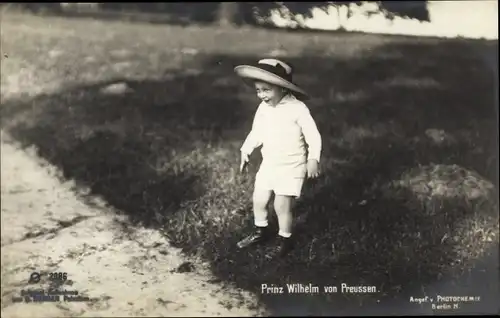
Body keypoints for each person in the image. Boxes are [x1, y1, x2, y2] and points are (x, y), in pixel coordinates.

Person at [234, 58, 322, 257]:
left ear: (282, 88)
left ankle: (284, 239)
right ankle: (261, 231)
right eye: (258, 90)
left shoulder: (298, 108)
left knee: (281, 205)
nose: (261, 95)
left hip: (292, 165)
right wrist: (245, 150)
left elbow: (313, 135)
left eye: (266, 90)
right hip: (270, 163)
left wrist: (313, 159)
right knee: (259, 199)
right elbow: (257, 131)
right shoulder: (264, 108)